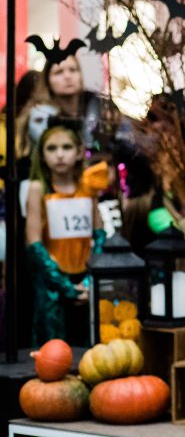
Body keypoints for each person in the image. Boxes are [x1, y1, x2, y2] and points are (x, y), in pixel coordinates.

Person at [25, 119, 107, 346]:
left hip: (85, 277)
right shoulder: (38, 189)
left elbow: (99, 234)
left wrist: (91, 280)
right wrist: (65, 286)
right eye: (52, 148)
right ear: (41, 154)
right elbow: (34, 244)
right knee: (54, 348)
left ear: (79, 152)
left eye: (66, 147)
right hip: (53, 282)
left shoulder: (87, 187)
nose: (59, 155)